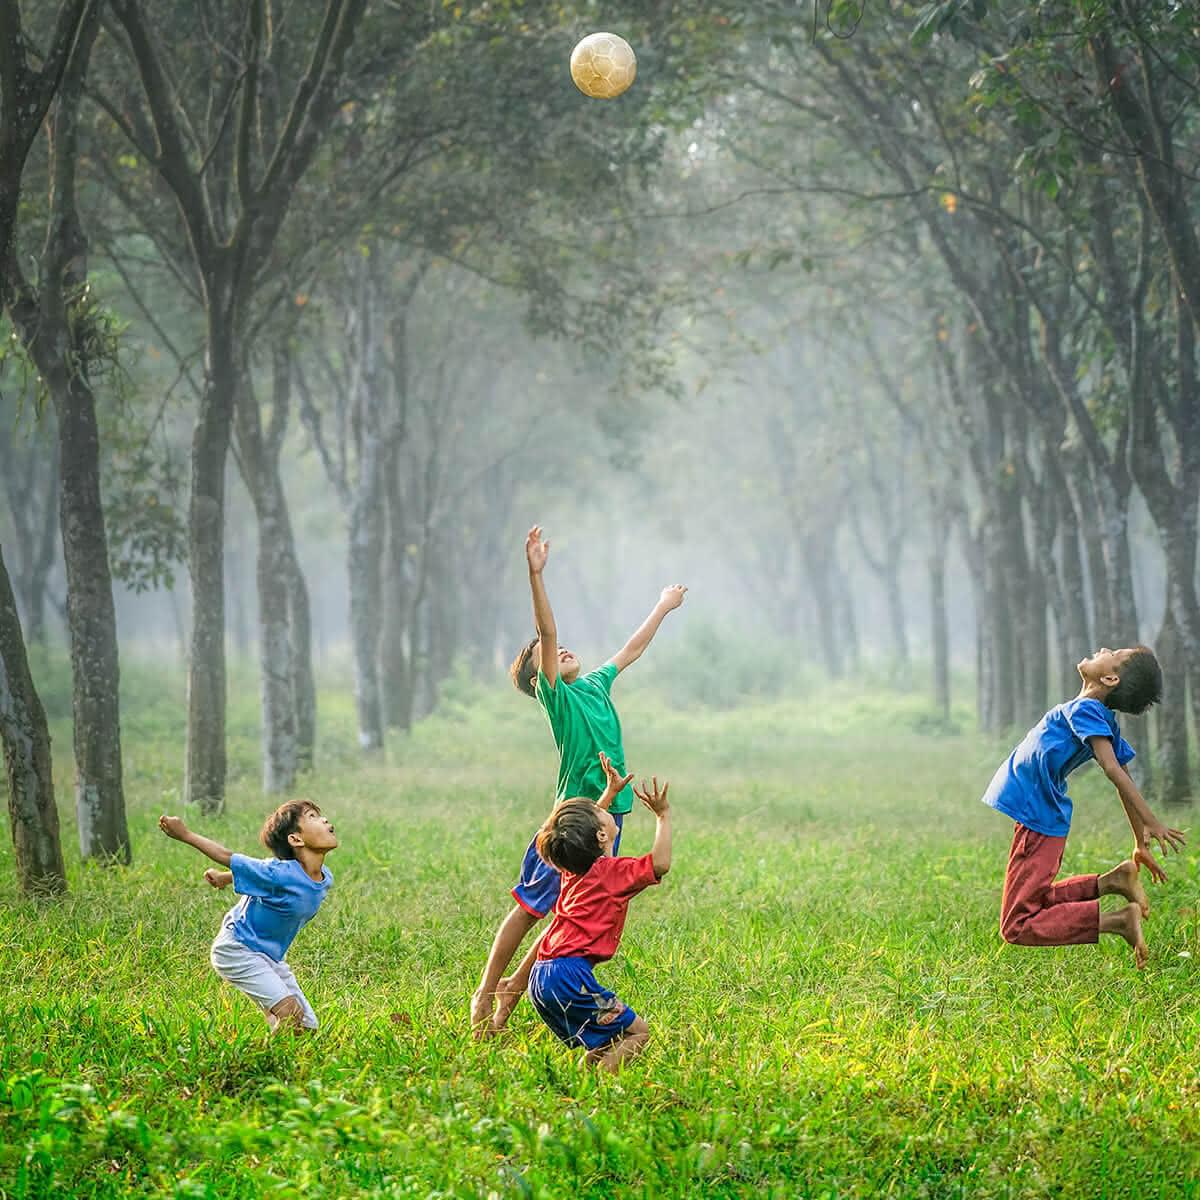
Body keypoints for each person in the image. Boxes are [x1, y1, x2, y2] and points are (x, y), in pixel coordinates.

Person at [470, 524, 686, 1036]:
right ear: (537, 678)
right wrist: (535, 574)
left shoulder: (593, 684)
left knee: (569, 916)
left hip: (609, 817)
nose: (561, 649)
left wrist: (662, 606)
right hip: (572, 821)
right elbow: (546, 631)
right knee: (529, 908)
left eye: (563, 647)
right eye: (546, 654)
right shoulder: (558, 698)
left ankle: (507, 1006)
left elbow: (630, 649)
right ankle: (485, 995)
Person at [982, 645, 1185, 967]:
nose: (1104, 648)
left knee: (1017, 925)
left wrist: (1151, 822)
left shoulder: (1088, 710)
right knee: (1033, 901)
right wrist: (1139, 840)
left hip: (1038, 819)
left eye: (1114, 653)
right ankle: (1111, 882)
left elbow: (1115, 770)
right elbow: (1123, 772)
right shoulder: (1094, 713)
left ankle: (1117, 922)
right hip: (1038, 817)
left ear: (1109, 677)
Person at [528, 760, 671, 1071]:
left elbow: (583, 835)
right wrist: (662, 815)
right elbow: (659, 864)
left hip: (541, 977)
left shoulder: (573, 868)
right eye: (600, 811)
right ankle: (599, 1089)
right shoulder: (613, 873)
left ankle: (582, 1079)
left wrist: (607, 794)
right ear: (601, 837)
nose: (603, 808)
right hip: (569, 978)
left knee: (605, 1039)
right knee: (638, 1033)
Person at [158, 800, 337, 1031]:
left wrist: (225, 877)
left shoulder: (324, 877)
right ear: (296, 839)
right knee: (290, 1014)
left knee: (306, 1027)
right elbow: (229, 856)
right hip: (238, 948)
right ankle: (259, 1062)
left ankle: (276, 1032)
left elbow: (263, 873)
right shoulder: (279, 873)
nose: (324, 820)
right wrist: (186, 834)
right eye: (312, 816)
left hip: (269, 957)